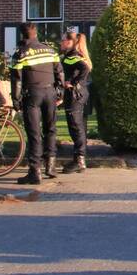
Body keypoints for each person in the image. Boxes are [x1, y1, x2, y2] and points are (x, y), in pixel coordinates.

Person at [10, 23, 64, 185]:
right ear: (36, 34)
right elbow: (59, 72)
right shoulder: (50, 50)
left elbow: (16, 80)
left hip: (32, 94)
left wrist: (16, 100)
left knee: (34, 133)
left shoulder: (20, 53)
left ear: (22, 35)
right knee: (50, 129)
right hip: (50, 93)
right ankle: (51, 167)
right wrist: (59, 92)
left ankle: (35, 172)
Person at [60, 31, 92, 173]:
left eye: (63, 40)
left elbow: (85, 68)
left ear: (70, 42)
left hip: (75, 96)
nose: (61, 43)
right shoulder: (75, 55)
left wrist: (73, 83)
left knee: (76, 127)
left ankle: (79, 160)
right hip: (81, 95)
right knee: (80, 127)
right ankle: (78, 159)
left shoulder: (71, 56)